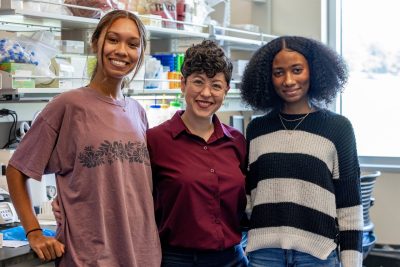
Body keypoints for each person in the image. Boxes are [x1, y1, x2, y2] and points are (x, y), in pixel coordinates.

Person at [6, 10, 161, 266]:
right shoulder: (66, 106)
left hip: (142, 255)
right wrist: (33, 232)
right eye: (113, 40)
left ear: (141, 53)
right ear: (95, 42)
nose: (122, 51)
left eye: (133, 44)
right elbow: (17, 170)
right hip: (89, 257)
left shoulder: (138, 112)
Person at [240, 36, 363, 267]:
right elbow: (250, 198)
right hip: (264, 255)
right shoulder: (257, 129)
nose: (288, 80)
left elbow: (349, 208)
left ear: (313, 72)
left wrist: (351, 262)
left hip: (317, 254)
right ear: (268, 78)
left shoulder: (338, 128)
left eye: (297, 70)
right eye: (278, 72)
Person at [147, 40, 248, 266]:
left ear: (226, 90)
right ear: (183, 84)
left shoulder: (237, 142)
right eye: (198, 82)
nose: (206, 93)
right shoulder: (155, 141)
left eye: (216, 85)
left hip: (232, 258)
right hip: (177, 259)